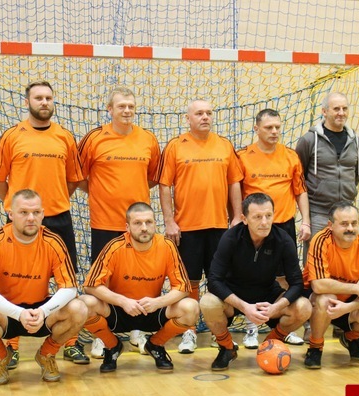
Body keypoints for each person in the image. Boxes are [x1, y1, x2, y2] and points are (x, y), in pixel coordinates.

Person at [0, 80, 87, 367]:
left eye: (48, 98)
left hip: (58, 218)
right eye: (38, 98)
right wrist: (18, 209)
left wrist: (52, 204)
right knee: (12, 279)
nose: (44, 102)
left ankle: (69, 343)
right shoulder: (11, 137)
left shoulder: (65, 137)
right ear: (27, 102)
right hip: (21, 222)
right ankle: (12, 345)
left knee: (67, 281)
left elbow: (74, 179)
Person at [0, 189, 87, 385]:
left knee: (79, 308)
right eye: (23, 212)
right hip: (7, 314)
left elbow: (69, 288)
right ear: (11, 214)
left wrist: (43, 311)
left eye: (36, 212)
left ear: (43, 214)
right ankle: (1, 357)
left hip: (40, 312)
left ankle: (47, 354)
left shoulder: (53, 241)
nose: (31, 218)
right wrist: (18, 313)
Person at [78, 86, 162, 358]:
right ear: (110, 109)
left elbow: (153, 177)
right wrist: (102, 193)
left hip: (139, 227)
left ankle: (138, 329)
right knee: (102, 281)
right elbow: (78, 177)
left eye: (131, 106)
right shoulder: (94, 139)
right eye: (121, 106)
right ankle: (103, 336)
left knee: (139, 279)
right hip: (104, 222)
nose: (127, 111)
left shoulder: (148, 139)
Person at [157, 99, 244, 354]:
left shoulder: (224, 145)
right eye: (199, 113)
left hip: (220, 227)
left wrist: (237, 217)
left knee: (220, 282)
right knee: (189, 282)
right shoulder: (175, 146)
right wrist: (169, 221)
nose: (205, 117)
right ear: (188, 118)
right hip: (187, 228)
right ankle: (189, 331)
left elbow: (234, 183)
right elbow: (164, 185)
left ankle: (221, 333)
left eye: (208, 113)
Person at [79, 202, 199, 373]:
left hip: (151, 309)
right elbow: (91, 286)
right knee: (85, 303)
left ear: (155, 223)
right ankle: (112, 346)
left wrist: (158, 302)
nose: (144, 228)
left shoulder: (166, 246)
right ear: (127, 227)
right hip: (119, 310)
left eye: (148, 222)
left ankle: (155, 345)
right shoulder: (115, 247)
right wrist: (123, 301)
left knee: (191, 307)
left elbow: (183, 287)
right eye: (137, 223)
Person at [201, 193, 312, 371]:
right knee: (207, 302)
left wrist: (276, 307)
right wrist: (245, 307)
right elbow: (214, 280)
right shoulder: (230, 238)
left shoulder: (283, 240)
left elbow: (297, 283)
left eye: (268, 215)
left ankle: (269, 345)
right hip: (234, 297)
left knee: (304, 306)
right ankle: (227, 348)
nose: (264, 222)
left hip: (267, 296)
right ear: (244, 219)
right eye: (257, 217)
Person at [237, 108, 310, 348]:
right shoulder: (243, 156)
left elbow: (300, 191)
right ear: (256, 129)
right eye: (269, 127)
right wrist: (236, 218)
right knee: (251, 277)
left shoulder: (290, 156)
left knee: (286, 278)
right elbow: (234, 189)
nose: (274, 131)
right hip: (253, 228)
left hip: (283, 226)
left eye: (277, 127)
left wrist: (306, 221)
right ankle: (251, 328)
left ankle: (283, 328)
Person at [295, 91, 359, 342]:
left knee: (345, 263)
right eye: (336, 109)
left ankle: (341, 320)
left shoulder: (356, 142)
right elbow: (299, 178)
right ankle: (310, 322)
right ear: (324, 111)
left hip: (345, 213)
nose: (341, 113)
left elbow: (356, 174)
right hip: (318, 211)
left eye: (344, 108)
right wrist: (306, 217)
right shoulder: (308, 140)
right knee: (313, 268)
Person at [302, 202, 359, 369]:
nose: (350, 228)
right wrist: (356, 288)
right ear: (330, 225)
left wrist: (347, 307)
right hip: (315, 300)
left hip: (345, 303)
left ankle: (351, 337)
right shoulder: (320, 240)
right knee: (326, 299)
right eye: (344, 224)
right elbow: (318, 285)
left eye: (354, 223)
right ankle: (315, 347)